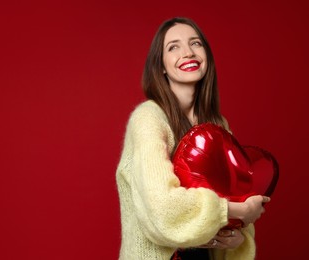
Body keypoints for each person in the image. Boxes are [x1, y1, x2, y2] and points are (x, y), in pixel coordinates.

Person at [115, 17, 270, 260]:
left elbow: (235, 195)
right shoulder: (148, 119)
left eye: (195, 43)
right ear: (162, 66)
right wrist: (238, 210)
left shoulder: (218, 125)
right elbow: (162, 208)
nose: (188, 52)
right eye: (173, 47)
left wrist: (238, 238)